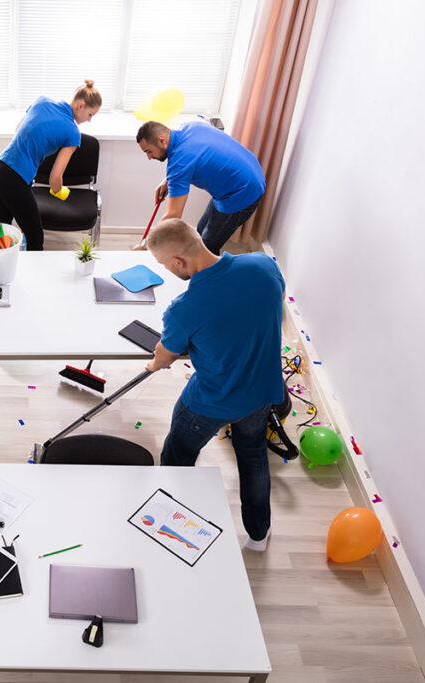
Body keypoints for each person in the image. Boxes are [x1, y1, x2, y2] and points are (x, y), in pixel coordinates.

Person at [144, 219, 285, 551]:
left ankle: (169, 526)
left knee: (178, 456)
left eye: (164, 264)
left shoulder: (184, 309)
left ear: (179, 262)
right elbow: (263, 309)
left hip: (209, 404)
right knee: (252, 457)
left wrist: (153, 363)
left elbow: (165, 357)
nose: (166, 269)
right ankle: (258, 534)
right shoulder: (264, 265)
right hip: (262, 394)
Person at [0, 80, 101, 251]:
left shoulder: (42, 101)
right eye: (91, 114)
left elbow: (19, 128)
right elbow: (55, 178)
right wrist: (60, 191)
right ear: (81, 105)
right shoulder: (72, 132)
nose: (89, 120)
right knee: (35, 236)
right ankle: (34, 276)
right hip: (15, 180)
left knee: (3, 223)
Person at [135, 120, 265, 255]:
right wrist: (168, 180)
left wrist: (146, 244)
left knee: (205, 249)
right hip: (249, 172)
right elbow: (195, 153)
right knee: (200, 232)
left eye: (149, 151)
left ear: (162, 140)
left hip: (243, 191)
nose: (149, 157)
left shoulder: (179, 165)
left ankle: (208, 273)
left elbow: (173, 215)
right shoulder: (190, 126)